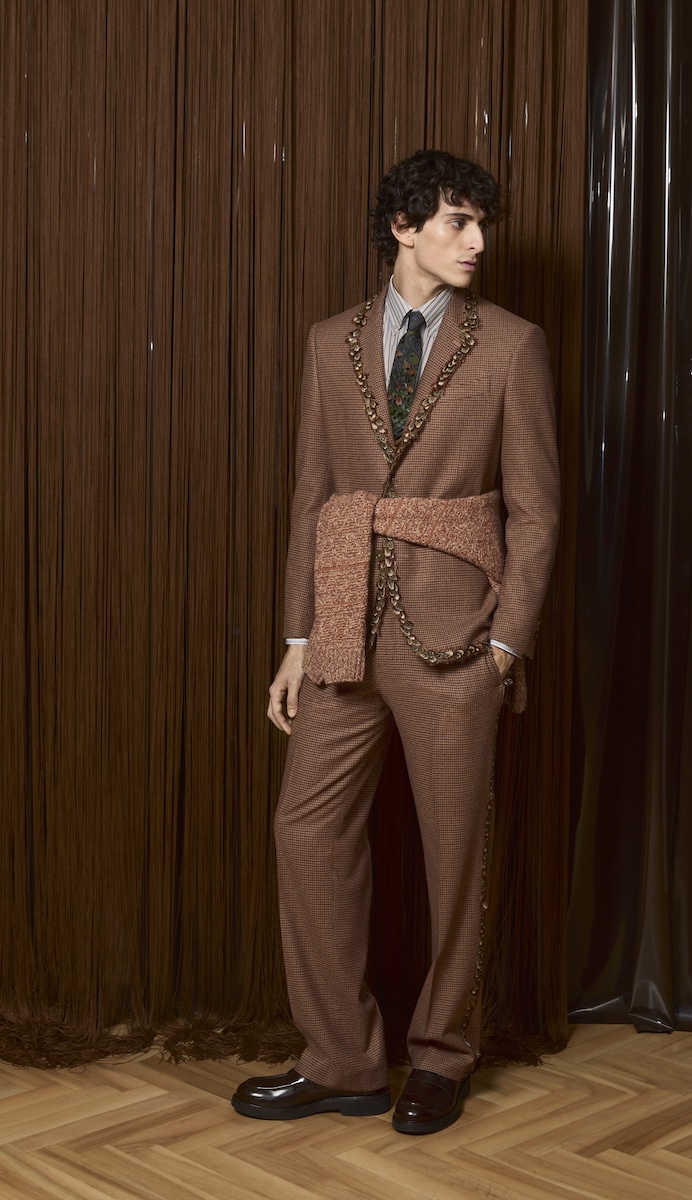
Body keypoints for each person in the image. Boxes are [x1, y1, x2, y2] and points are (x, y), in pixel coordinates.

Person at [231, 149, 560, 1135]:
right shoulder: (326, 342)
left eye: (482, 223)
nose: (478, 241)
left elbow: (537, 512)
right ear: (402, 228)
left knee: (455, 854)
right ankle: (342, 1060)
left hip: (458, 639)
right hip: (340, 623)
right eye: (458, 221)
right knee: (306, 829)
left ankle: (443, 1057)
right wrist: (296, 638)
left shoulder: (512, 346)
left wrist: (507, 646)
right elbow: (312, 494)